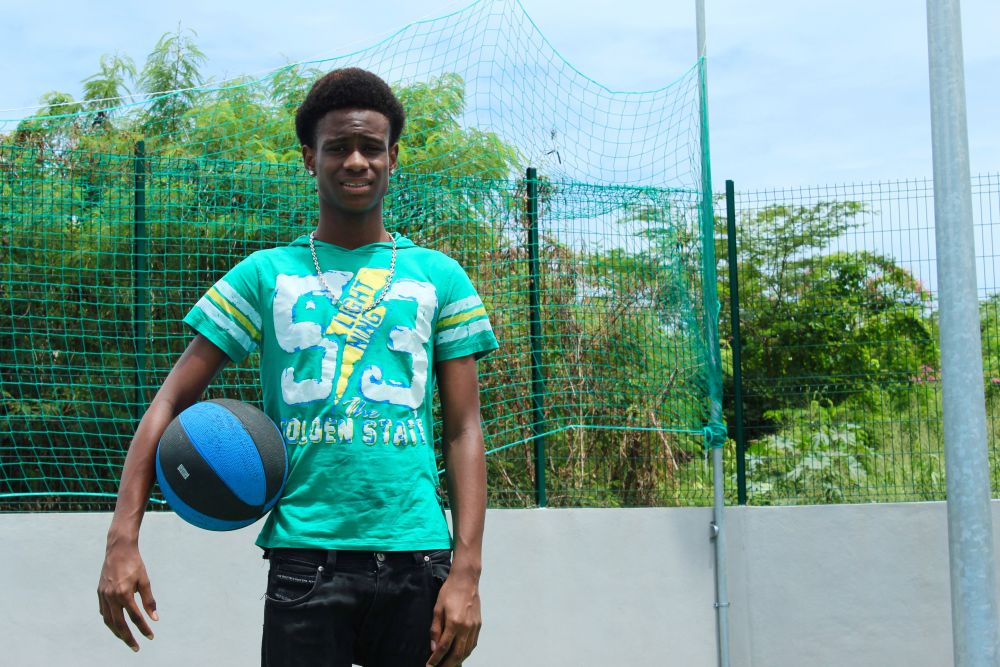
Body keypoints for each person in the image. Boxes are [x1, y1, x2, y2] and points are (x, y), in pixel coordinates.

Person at [97, 67, 497, 667]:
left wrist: (467, 571)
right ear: (310, 158)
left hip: (419, 560)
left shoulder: (441, 276)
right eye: (338, 147)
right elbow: (171, 401)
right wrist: (121, 538)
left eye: (371, 147)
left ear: (393, 157)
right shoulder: (265, 274)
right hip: (305, 563)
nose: (356, 161)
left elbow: (464, 428)